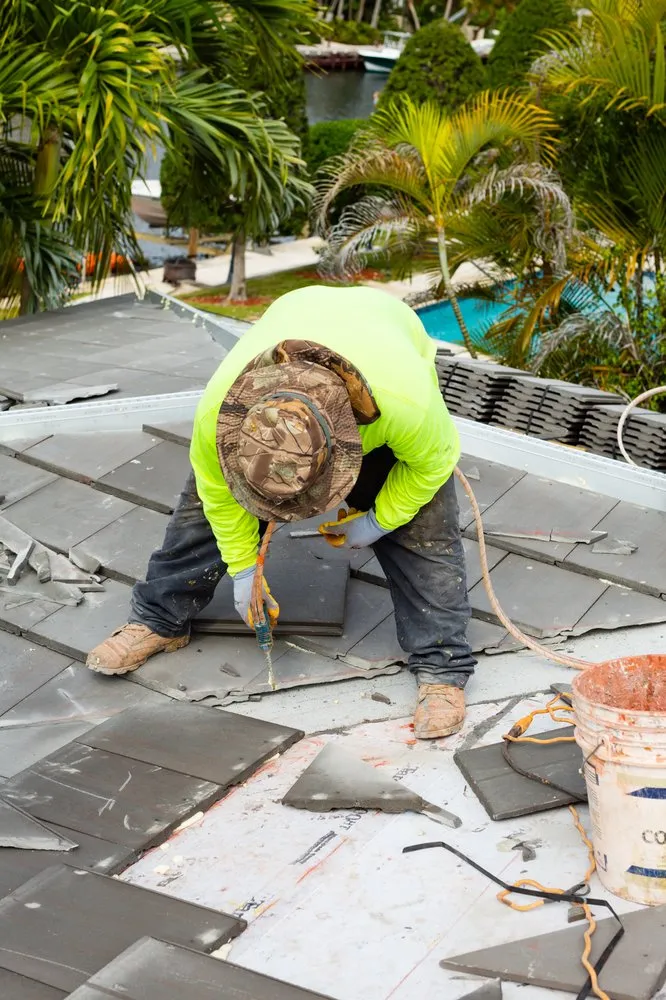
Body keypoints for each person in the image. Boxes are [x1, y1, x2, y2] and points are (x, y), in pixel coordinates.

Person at [87, 285, 476, 738]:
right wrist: (242, 570)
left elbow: (432, 466)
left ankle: (442, 665)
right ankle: (159, 619)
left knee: (425, 529)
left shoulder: (403, 406)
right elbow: (216, 497)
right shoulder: (219, 415)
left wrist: (377, 522)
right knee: (198, 513)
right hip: (297, 308)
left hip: (384, 335)